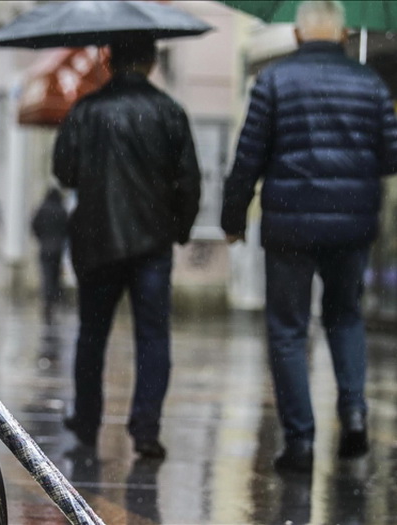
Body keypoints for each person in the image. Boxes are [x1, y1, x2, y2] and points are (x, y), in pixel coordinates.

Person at [221, 0, 397, 474]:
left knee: (288, 329)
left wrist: (232, 218)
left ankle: (299, 441)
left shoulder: (274, 81)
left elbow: (248, 158)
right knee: (345, 317)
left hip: (290, 226)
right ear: (343, 36)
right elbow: (390, 158)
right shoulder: (371, 84)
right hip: (352, 225)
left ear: (298, 36)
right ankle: (354, 411)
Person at [53, 36, 201, 459]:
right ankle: (146, 428)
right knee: (153, 336)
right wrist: (180, 228)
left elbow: (63, 171)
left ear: (109, 60)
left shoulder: (86, 110)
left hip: (96, 240)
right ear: (152, 61)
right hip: (152, 243)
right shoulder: (170, 111)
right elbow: (189, 180)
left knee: (92, 335)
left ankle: (86, 421)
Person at [31, 187, 69, 327]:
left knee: (47, 275)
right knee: (54, 276)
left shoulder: (43, 209)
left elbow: (34, 225)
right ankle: (52, 300)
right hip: (57, 249)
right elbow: (68, 228)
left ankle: (48, 301)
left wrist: (42, 238)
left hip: (45, 248)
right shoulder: (61, 210)